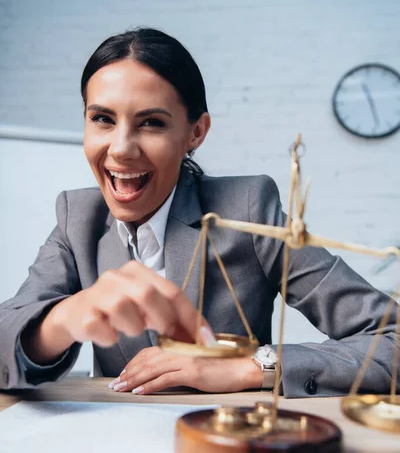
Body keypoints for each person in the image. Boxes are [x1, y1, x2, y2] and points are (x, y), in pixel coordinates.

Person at [0, 28, 397, 398]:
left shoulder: (247, 208)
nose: (121, 149)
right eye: (102, 119)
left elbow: (392, 338)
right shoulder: (78, 218)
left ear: (196, 133)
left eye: (152, 123)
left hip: (228, 442)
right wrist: (63, 319)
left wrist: (251, 367)